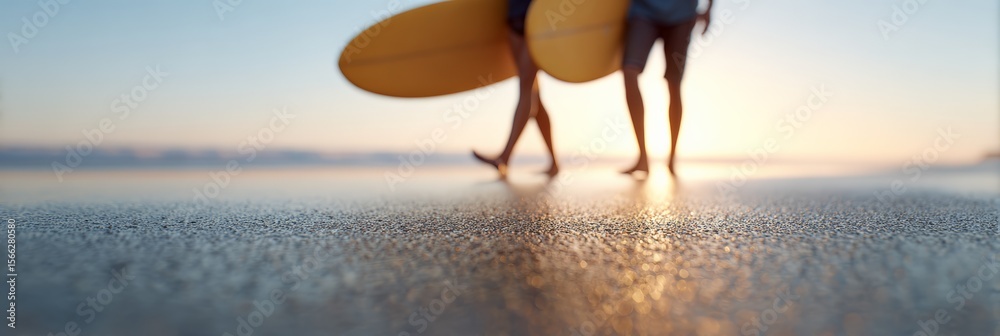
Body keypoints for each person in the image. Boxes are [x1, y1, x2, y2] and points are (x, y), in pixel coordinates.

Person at [620, 0, 712, 176]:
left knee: (674, 83)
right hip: (642, 11)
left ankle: (671, 159)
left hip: (682, 15)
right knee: (629, 72)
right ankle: (642, 158)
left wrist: (709, 8)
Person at [472, 0, 559, 178]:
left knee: (526, 86)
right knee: (534, 94)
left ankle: (505, 157)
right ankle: (554, 163)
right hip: (513, 19)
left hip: (536, 18)